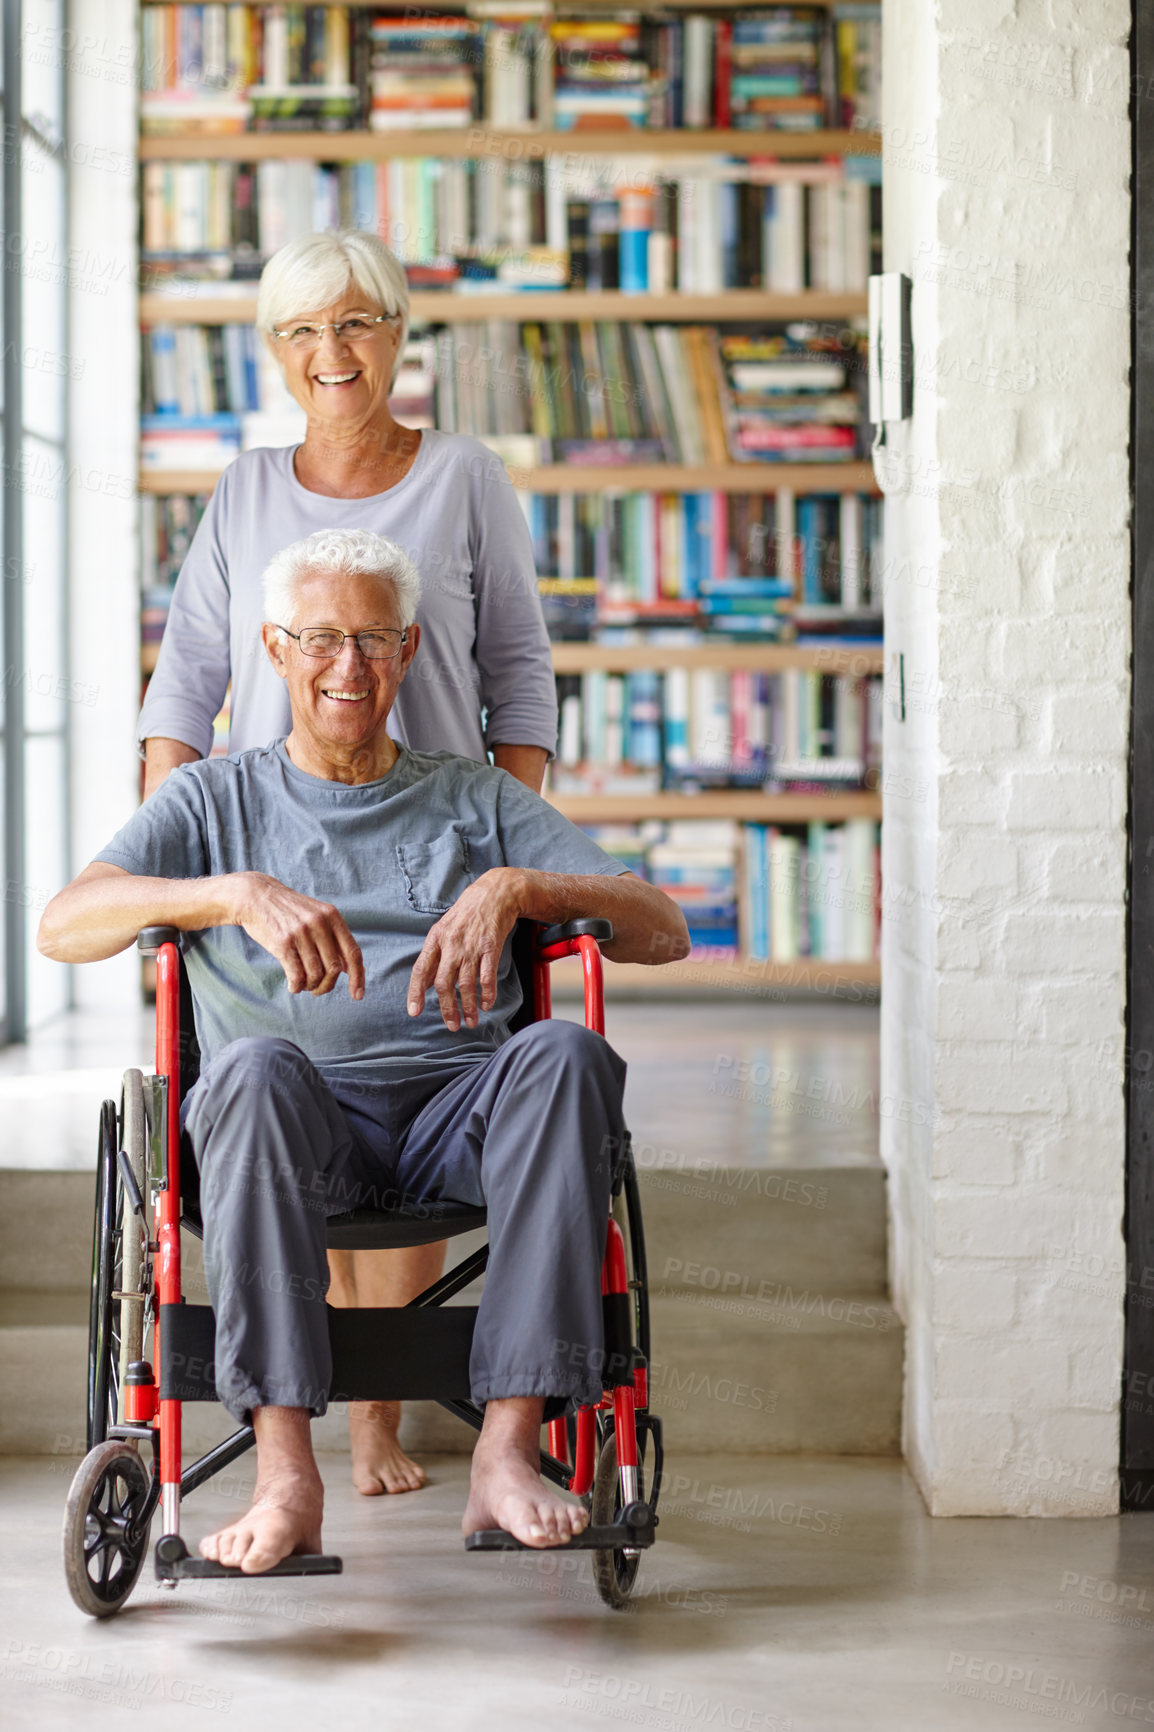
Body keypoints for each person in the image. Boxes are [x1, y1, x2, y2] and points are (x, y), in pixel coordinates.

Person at [39, 531, 689, 1574]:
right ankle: (288, 1474)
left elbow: (661, 926)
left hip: (457, 1115)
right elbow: (63, 924)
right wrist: (231, 892)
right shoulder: (214, 801)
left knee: (565, 1055)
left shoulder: (475, 798)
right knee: (246, 1069)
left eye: (375, 640)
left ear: (411, 650)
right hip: (289, 1121)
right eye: (323, 638)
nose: (350, 666)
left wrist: (517, 886)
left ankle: (507, 1454)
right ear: (274, 648)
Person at [138, 229, 558, 1495]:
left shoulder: (464, 478)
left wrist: (502, 834)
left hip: (436, 846)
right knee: (296, 1072)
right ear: (276, 350)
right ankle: (314, 1431)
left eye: (358, 323)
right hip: (271, 852)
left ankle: (374, 1420)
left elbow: (517, 674)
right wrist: (182, 857)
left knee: (414, 1049)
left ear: (397, 334)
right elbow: (187, 685)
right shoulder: (245, 488)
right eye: (303, 330)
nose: (333, 353)